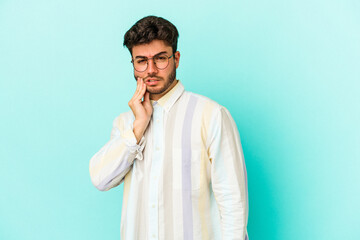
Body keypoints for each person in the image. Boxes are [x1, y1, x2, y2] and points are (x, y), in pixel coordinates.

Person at [89, 15, 249, 240]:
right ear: (133, 64)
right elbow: (101, 178)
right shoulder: (126, 124)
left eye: (160, 59)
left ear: (176, 59)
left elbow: (234, 202)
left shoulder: (211, 115)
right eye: (141, 61)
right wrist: (138, 127)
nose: (151, 70)